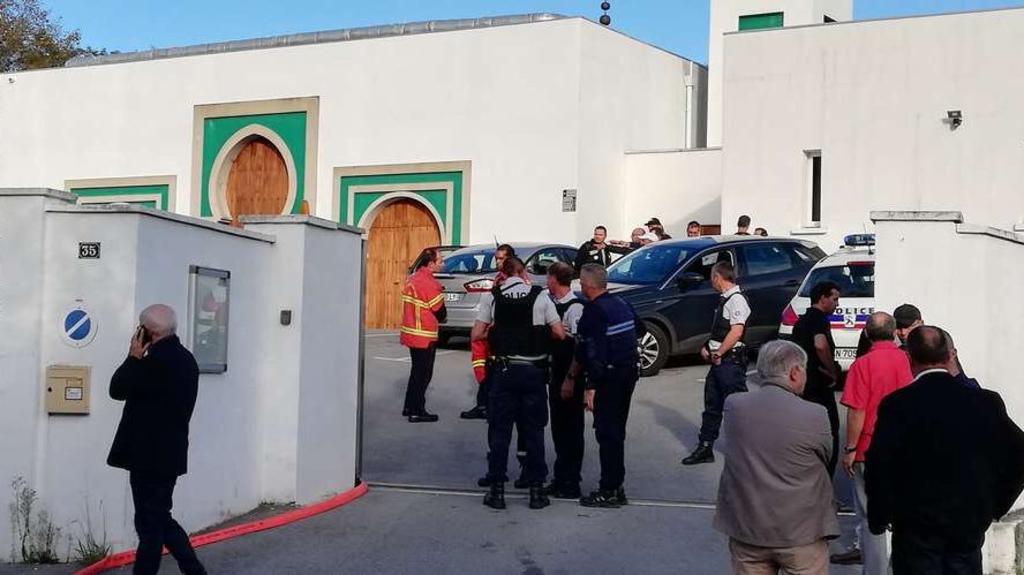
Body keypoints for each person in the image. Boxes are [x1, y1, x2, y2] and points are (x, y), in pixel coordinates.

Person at [866, 326, 1024, 575]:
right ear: (950, 355)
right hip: (967, 520)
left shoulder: (898, 404)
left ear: (910, 358)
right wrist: (996, 504)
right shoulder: (984, 402)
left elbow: (879, 464)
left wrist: (878, 515)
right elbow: (1019, 454)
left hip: (915, 525)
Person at [714, 340, 839, 575]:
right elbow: (826, 455)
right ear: (794, 373)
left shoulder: (734, 406)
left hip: (748, 528)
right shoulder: (815, 414)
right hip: (802, 531)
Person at [107, 305, 207, 575]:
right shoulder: (187, 361)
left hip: (145, 457)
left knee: (150, 527)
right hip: (171, 454)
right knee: (160, 519)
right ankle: (194, 570)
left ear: (146, 332)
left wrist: (133, 357)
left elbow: (116, 389)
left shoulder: (150, 364)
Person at [473, 257, 565, 510]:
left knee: (500, 431)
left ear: (503, 273)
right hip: (533, 373)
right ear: (523, 272)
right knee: (533, 431)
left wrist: (499, 331)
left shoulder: (492, 296)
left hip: (504, 371)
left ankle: (497, 490)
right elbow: (559, 333)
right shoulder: (540, 296)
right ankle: (536, 491)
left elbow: (476, 334)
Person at [831, 312, 913, 571]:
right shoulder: (907, 360)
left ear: (866, 334)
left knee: (870, 518)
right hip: (904, 450)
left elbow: (857, 411)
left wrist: (850, 449)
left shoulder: (862, 365)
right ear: (893, 333)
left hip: (869, 449)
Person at [565, 263, 642, 507]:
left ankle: (608, 489)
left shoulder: (594, 311)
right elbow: (640, 329)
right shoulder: (621, 303)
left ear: (587, 285)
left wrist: (586, 385)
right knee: (616, 432)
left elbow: (589, 352)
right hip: (628, 374)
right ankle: (616, 486)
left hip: (609, 378)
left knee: (607, 433)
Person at [682, 260, 751, 466]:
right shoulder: (724, 299)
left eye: (712, 277)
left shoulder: (737, 300)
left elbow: (736, 331)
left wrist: (719, 351)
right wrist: (707, 346)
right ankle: (705, 447)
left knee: (737, 407)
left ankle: (746, 451)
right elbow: (720, 329)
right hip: (719, 360)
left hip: (730, 361)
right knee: (712, 406)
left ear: (717, 277)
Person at [543, 262, 586, 499]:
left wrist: (571, 378)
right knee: (559, 428)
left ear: (555, 280)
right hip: (556, 371)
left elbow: (580, 345)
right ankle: (561, 476)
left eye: (548, 277)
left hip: (570, 373)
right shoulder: (551, 303)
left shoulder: (575, 307)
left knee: (571, 428)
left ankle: (572, 479)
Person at [791, 281, 842, 477]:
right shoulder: (819, 319)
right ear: (822, 298)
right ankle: (825, 487)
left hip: (803, 386)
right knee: (830, 434)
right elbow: (820, 345)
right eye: (834, 299)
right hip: (819, 386)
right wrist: (832, 371)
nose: (837, 304)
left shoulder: (801, 321)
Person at [461, 244, 517, 420]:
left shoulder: (514, 279)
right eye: (497, 258)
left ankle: (491, 406)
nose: (498, 262)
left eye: (501, 259)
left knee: (497, 371)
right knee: (487, 368)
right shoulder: (499, 278)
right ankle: (484, 404)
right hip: (493, 329)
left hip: (504, 332)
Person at [400, 247, 447, 423]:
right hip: (424, 334)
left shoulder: (412, 278)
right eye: (440, 261)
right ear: (431, 263)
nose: (443, 263)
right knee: (423, 374)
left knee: (416, 372)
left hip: (411, 332)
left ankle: (409, 406)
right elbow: (440, 312)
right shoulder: (429, 283)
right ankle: (417, 410)